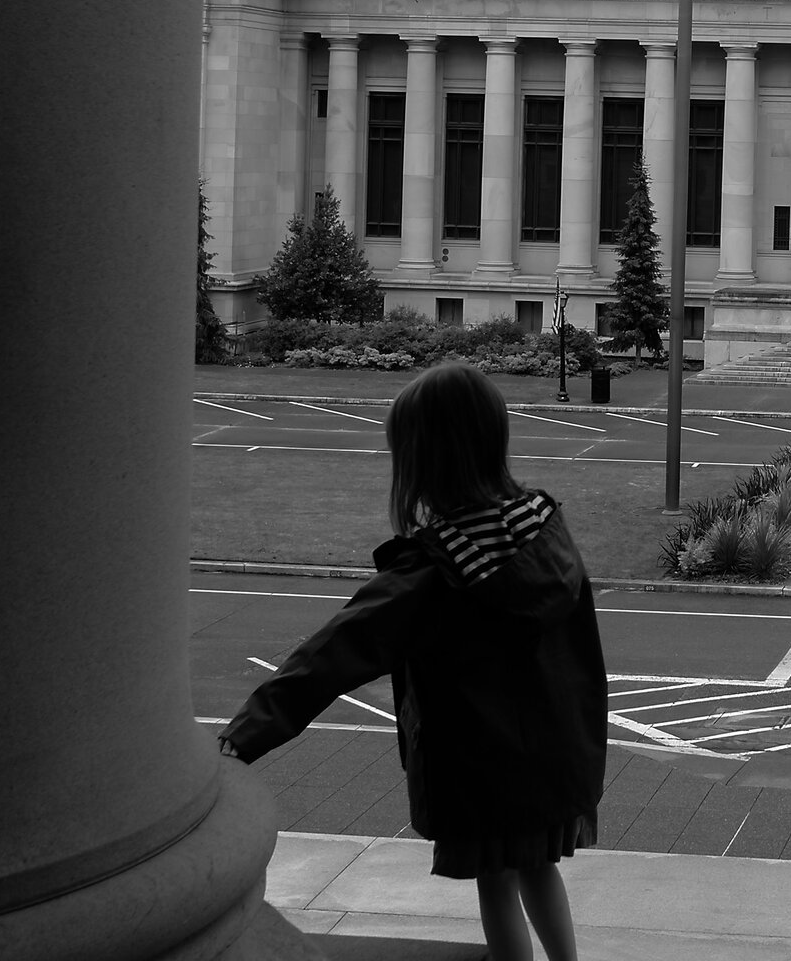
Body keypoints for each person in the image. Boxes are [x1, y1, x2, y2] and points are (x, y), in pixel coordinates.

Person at [220, 362, 607, 961]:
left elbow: (329, 656)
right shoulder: (545, 530)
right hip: (556, 761)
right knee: (538, 867)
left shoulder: (430, 573)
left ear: (423, 460)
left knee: (496, 882)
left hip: (482, 772)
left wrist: (241, 738)